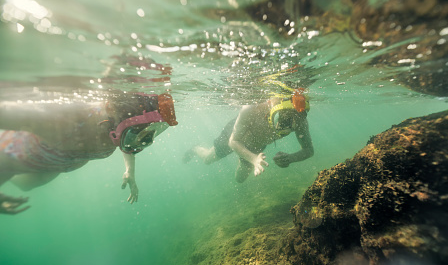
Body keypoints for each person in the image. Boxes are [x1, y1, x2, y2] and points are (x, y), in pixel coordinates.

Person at [0, 90, 178, 214]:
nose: (142, 142)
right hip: (13, 157)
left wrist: (129, 171)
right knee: (20, 180)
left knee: (27, 184)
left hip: (60, 162)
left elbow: (128, 141)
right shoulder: (66, 119)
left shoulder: (118, 127)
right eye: (136, 133)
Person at [184, 84, 314, 183]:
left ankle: (242, 155)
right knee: (207, 159)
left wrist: (291, 158)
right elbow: (233, 141)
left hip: (256, 145)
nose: (288, 126)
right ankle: (195, 149)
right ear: (271, 104)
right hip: (234, 135)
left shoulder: (300, 120)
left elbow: (308, 150)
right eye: (283, 118)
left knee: (239, 179)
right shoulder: (251, 108)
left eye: (295, 117)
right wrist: (253, 159)